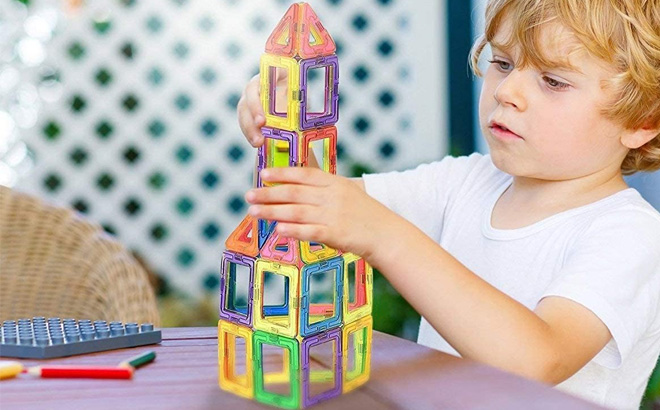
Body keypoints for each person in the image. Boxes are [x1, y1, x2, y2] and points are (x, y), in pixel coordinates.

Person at [236, 0, 660, 408]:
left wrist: (386, 237)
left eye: (553, 81)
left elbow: (536, 358)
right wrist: (282, 124)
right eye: (503, 63)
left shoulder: (629, 234)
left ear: (644, 120)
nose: (507, 91)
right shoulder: (465, 182)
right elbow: (325, 203)